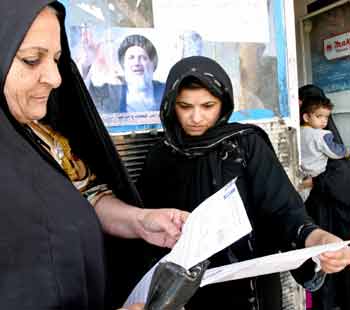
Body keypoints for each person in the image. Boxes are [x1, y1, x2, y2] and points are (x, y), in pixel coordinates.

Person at [0, 1, 188, 309]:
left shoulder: (42, 135)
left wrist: (140, 221)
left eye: (57, 59)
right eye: (32, 60)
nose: (56, 77)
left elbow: (87, 194)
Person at [137, 56, 350, 309]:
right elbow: (144, 226)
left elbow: (282, 208)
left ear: (223, 103)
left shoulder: (244, 146)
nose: (196, 117)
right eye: (185, 106)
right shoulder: (160, 156)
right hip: (184, 292)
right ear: (172, 105)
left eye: (208, 105)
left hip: (249, 288)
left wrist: (315, 238)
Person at [299, 84, 350, 310]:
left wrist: (315, 182)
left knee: (329, 257)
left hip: (329, 208)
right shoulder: (323, 135)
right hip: (333, 208)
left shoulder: (315, 134)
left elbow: (335, 177)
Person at [90, 34, 165, 114]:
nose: (136, 63)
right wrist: (86, 63)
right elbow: (87, 93)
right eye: (131, 58)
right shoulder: (111, 93)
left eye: (143, 57)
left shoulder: (167, 90)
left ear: (152, 64)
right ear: (124, 65)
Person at [298, 96, 349, 201]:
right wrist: (346, 151)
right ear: (306, 117)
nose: (324, 121)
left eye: (326, 117)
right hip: (314, 175)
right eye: (319, 116)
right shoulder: (322, 135)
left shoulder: (299, 131)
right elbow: (335, 152)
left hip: (300, 172)